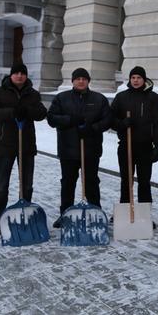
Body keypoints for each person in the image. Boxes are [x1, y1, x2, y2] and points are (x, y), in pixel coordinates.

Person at [0, 63, 47, 238]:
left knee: (26, 185)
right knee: (1, 186)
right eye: (16, 73)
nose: (20, 76)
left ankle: (25, 217)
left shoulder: (33, 94)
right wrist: (12, 112)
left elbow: (42, 113)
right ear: (11, 75)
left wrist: (28, 110)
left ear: (26, 76)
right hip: (6, 145)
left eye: (23, 73)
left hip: (26, 146)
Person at [47, 68, 112, 228]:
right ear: (73, 81)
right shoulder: (62, 98)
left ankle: (95, 213)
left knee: (91, 182)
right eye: (78, 78)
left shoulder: (99, 99)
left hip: (91, 149)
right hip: (68, 149)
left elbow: (108, 119)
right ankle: (65, 214)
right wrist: (70, 120)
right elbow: (51, 118)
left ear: (88, 81)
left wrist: (93, 128)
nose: (81, 81)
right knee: (67, 183)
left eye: (84, 78)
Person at [110, 66, 158, 227]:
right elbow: (110, 118)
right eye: (133, 77)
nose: (135, 80)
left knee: (144, 181)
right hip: (126, 146)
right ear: (129, 79)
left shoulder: (152, 98)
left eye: (139, 78)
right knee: (126, 181)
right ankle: (124, 211)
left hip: (145, 146)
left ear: (144, 79)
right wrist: (122, 124)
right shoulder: (121, 97)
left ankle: (145, 214)